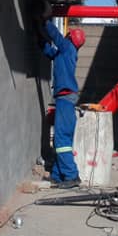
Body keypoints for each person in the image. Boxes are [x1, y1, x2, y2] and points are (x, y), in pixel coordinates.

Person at [41, 18, 85, 189]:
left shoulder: (67, 47)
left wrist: (44, 21)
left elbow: (56, 36)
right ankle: (58, 175)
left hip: (65, 99)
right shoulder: (65, 53)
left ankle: (72, 176)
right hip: (65, 99)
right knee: (61, 140)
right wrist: (40, 40)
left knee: (61, 139)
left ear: (70, 38)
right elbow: (50, 52)